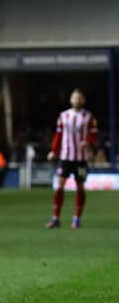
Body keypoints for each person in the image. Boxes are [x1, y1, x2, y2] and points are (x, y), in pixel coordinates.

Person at [45, 88, 98, 229]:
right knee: (59, 187)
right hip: (65, 157)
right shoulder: (63, 116)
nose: (77, 100)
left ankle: (76, 219)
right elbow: (58, 135)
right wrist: (53, 151)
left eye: (80, 98)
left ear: (84, 100)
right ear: (70, 100)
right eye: (75, 98)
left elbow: (94, 134)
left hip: (81, 159)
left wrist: (87, 141)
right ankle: (55, 218)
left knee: (80, 188)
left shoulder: (89, 116)